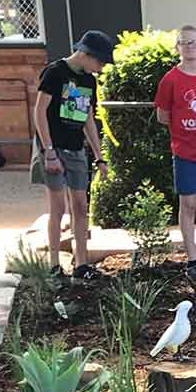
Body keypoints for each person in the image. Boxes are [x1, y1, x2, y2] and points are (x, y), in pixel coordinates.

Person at [31, 29, 116, 281]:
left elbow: (88, 118)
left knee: (80, 206)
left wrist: (99, 156)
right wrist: (48, 152)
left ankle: (82, 263)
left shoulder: (89, 81)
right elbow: (39, 112)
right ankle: (55, 264)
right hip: (52, 148)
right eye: (99, 62)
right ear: (86, 54)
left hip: (76, 148)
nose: (100, 68)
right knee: (57, 207)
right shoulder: (55, 73)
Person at [154, 25, 196, 288]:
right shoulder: (170, 80)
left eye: (194, 42)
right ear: (177, 48)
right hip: (185, 153)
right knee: (187, 205)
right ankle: (192, 261)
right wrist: (184, 130)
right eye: (184, 43)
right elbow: (163, 115)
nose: (190, 47)